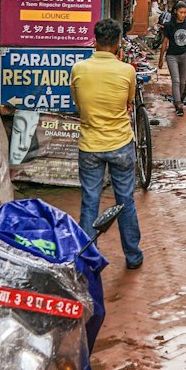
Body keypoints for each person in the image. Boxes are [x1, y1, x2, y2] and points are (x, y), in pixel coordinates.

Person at [70, 18, 143, 270]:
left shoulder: (79, 69)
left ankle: (89, 260)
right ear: (117, 44)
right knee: (125, 201)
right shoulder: (127, 71)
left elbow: (78, 105)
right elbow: (128, 102)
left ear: (95, 41)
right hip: (121, 142)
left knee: (90, 201)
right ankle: (133, 256)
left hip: (90, 144)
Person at [160, 0, 186, 115]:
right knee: (176, 80)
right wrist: (161, 59)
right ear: (176, 11)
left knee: (183, 81)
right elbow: (164, 42)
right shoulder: (169, 25)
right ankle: (178, 104)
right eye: (181, 12)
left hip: (185, 55)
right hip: (172, 56)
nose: (183, 15)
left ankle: (179, 100)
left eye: (185, 13)